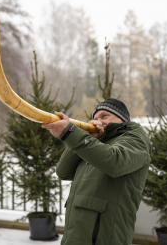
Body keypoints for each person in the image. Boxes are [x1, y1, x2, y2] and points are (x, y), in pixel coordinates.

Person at [42, 98, 151, 245]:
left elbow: (114, 162)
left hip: (104, 237)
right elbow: (63, 171)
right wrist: (82, 136)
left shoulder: (135, 138)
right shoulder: (95, 143)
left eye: (104, 116)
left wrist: (71, 133)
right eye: (95, 118)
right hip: (75, 236)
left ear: (122, 119)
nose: (97, 121)